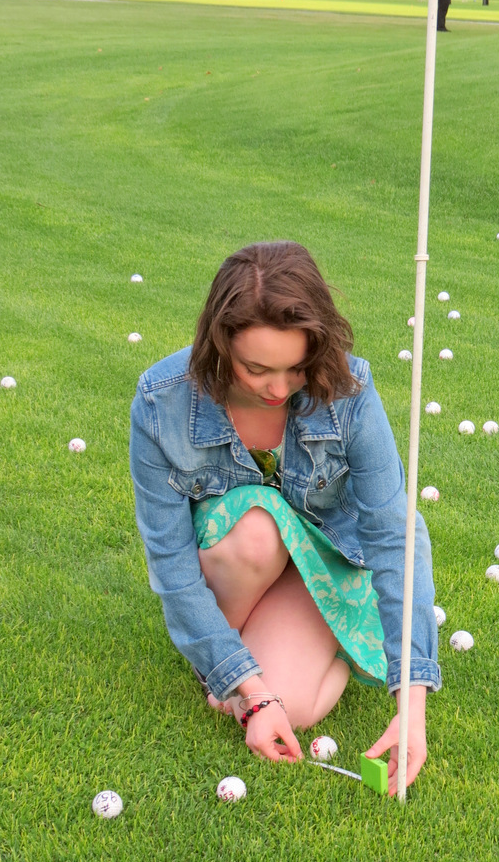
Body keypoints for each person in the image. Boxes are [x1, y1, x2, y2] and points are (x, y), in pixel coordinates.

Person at [129, 242, 441, 796]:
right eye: (256, 369)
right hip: (244, 557)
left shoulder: (349, 390)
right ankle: (229, 660)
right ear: (219, 342)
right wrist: (249, 689)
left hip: (323, 564)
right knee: (256, 531)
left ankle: (318, 643)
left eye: (296, 368)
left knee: (290, 706)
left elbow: (395, 535)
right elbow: (172, 566)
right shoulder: (162, 402)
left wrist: (410, 704)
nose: (278, 389)